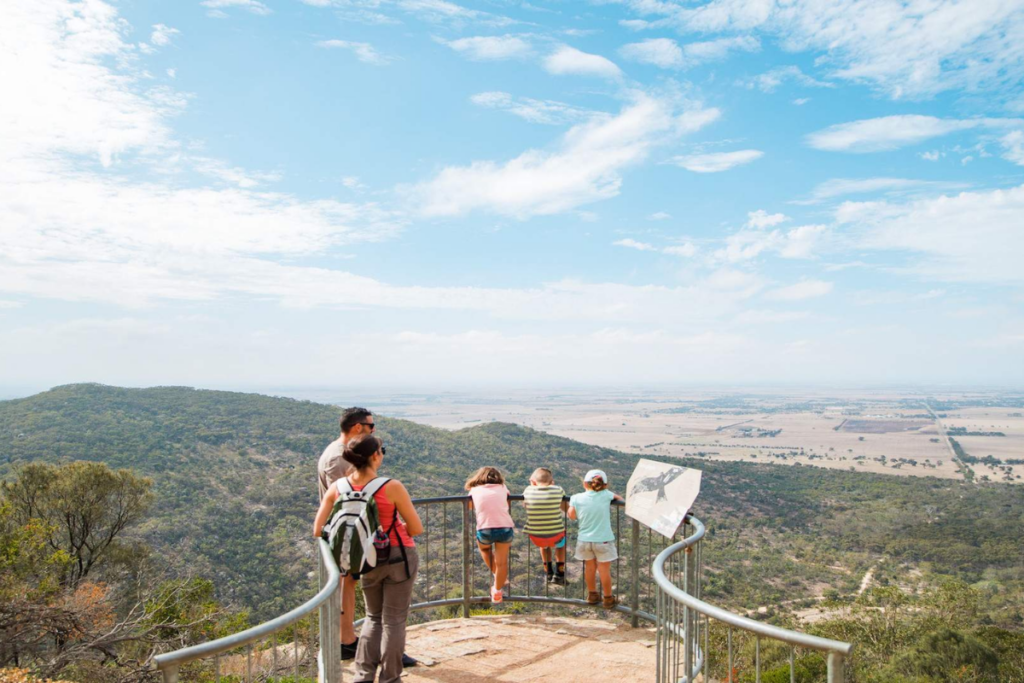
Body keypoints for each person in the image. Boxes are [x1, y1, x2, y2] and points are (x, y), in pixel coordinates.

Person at [314, 435, 423, 683]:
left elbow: (318, 529)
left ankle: (362, 676)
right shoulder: (391, 486)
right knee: (394, 619)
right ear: (375, 455)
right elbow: (416, 528)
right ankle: (390, 678)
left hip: (365, 559)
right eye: (381, 450)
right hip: (398, 556)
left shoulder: (338, 487)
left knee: (373, 618)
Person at [568, 469, 623, 609]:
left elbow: (572, 515)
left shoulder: (576, 497)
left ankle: (592, 595)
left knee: (590, 568)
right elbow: (620, 499)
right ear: (605, 485)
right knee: (604, 570)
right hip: (603, 540)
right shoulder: (606, 495)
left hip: (584, 540)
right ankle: (608, 598)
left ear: (584, 484)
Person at [465, 467, 514, 603]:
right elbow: (507, 504)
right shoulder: (503, 488)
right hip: (505, 527)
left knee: (484, 549)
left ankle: (497, 574)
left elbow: (469, 506)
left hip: (485, 528)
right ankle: (497, 592)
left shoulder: (474, 490)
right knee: (502, 562)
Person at [522, 467, 568, 585]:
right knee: (561, 544)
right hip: (556, 535)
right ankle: (559, 573)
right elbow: (565, 507)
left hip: (536, 536)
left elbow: (525, 505)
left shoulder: (528, 490)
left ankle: (548, 572)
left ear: (533, 482)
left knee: (544, 545)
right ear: (551, 481)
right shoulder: (558, 489)